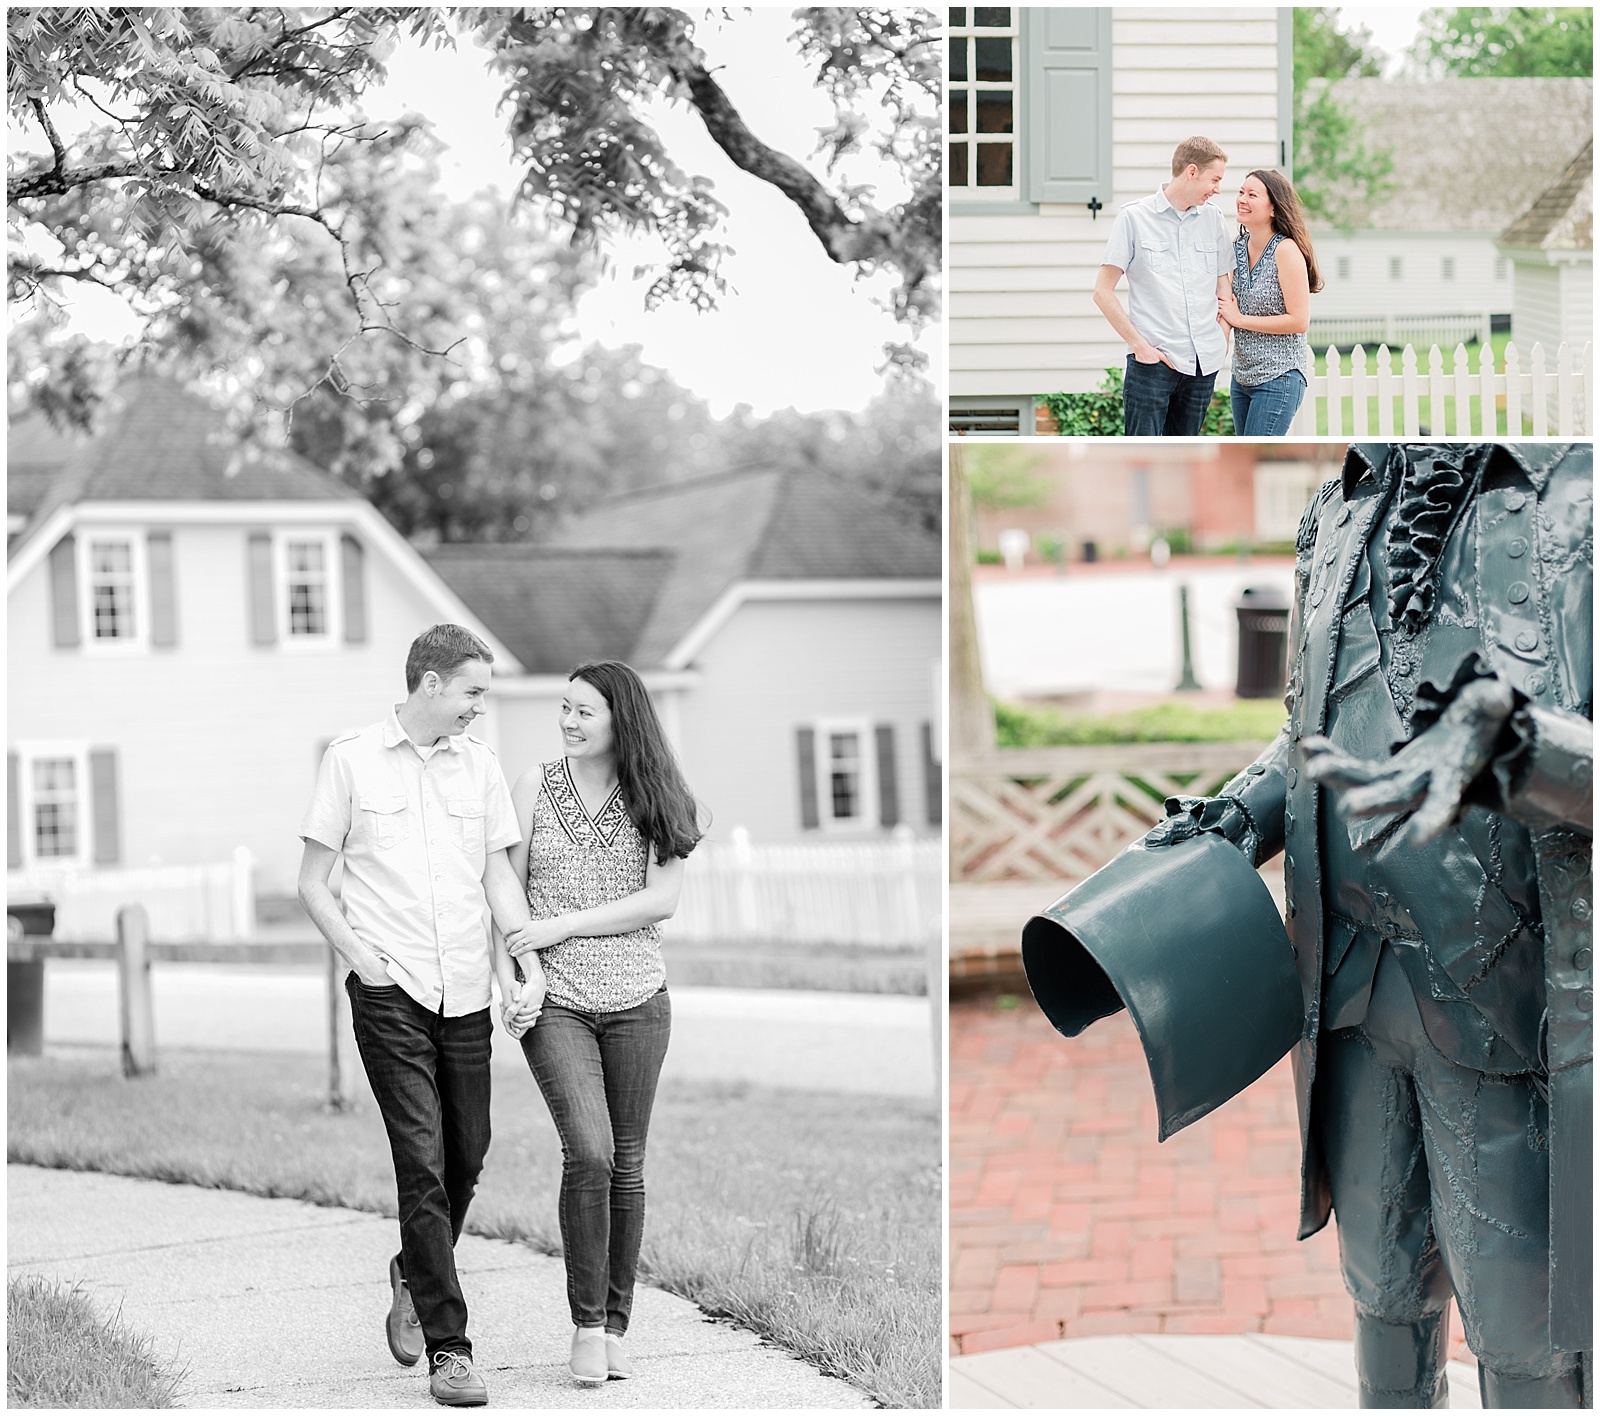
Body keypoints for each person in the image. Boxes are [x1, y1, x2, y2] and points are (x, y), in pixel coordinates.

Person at [1143, 443, 1592, 1406]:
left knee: (1527, 1335)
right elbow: (1305, 719)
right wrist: (1237, 813)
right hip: (1346, 992)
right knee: (1382, 1293)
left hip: (1506, 1007)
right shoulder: (1336, 508)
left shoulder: (1579, 499)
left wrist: (1515, 745)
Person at [298, 623, 542, 1408]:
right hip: (389, 991)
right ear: (430, 684)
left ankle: (412, 1267)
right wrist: (360, 959)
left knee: (469, 1154)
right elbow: (311, 880)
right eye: (473, 690)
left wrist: (522, 960)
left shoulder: (482, 767)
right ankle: (451, 1349)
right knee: (423, 1163)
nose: (481, 706)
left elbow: (499, 878)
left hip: (467, 989)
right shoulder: (352, 759)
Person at [496, 660, 702, 1386]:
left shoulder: (659, 796)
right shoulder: (532, 786)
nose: (568, 721)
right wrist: (522, 968)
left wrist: (562, 926)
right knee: (589, 1151)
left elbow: (660, 901)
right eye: (564, 708)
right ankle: (586, 1324)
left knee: (628, 1163)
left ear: (622, 719)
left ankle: (619, 1325)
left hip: (640, 1002)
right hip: (557, 1005)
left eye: (584, 711)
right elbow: (507, 893)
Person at [1094, 136, 1233, 436]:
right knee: (1144, 456)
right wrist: (1140, 347)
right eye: (1215, 179)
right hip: (1152, 365)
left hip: (1202, 366)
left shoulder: (1215, 219)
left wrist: (1220, 340)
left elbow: (1224, 287)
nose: (1218, 189)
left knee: (1183, 460)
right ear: (1192, 171)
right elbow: (1102, 292)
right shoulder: (1133, 218)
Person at [1218, 168, 1322, 435]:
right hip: (1241, 378)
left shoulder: (1285, 250)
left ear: (1274, 208)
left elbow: (1299, 321)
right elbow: (1225, 304)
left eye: (1252, 194)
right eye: (1241, 192)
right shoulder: (1235, 248)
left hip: (1279, 377)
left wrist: (1239, 319)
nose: (1242, 199)